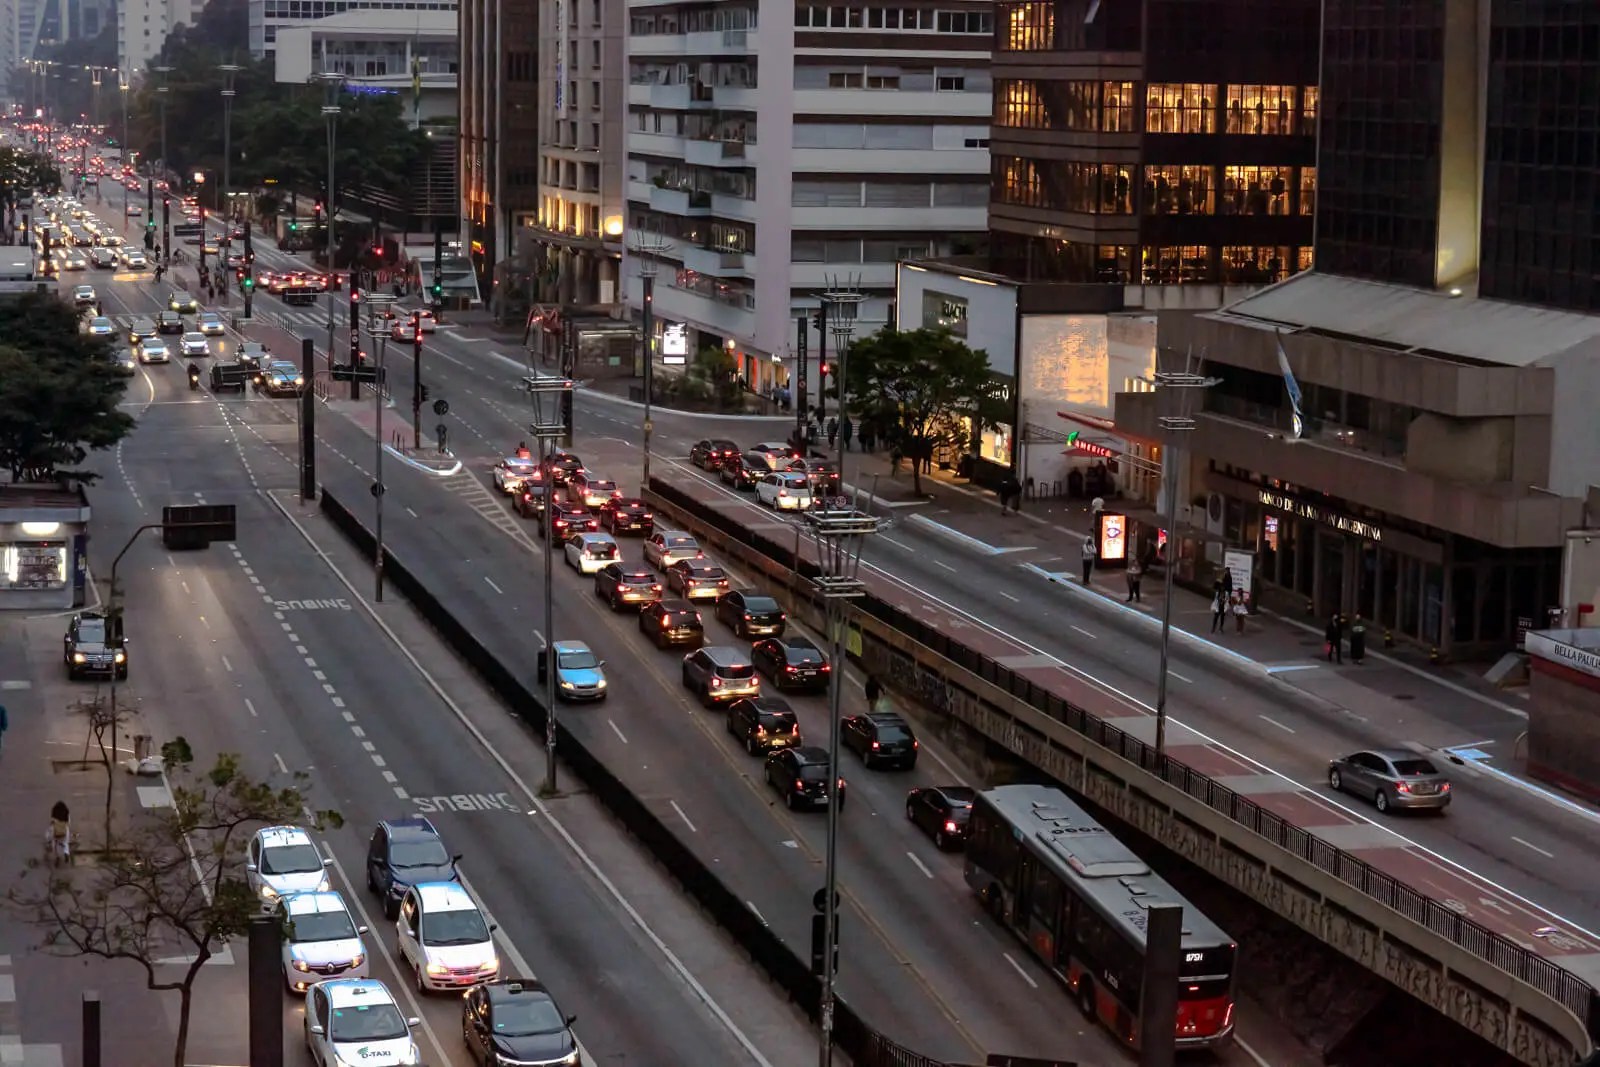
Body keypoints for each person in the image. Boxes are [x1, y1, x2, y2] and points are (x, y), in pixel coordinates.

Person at [49, 801, 70, 866]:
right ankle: (66, 852)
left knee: (55, 845)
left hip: (56, 832)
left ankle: (57, 857)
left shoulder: (54, 815)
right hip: (64, 830)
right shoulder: (66, 814)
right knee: (65, 842)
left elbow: (52, 824)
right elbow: (68, 822)